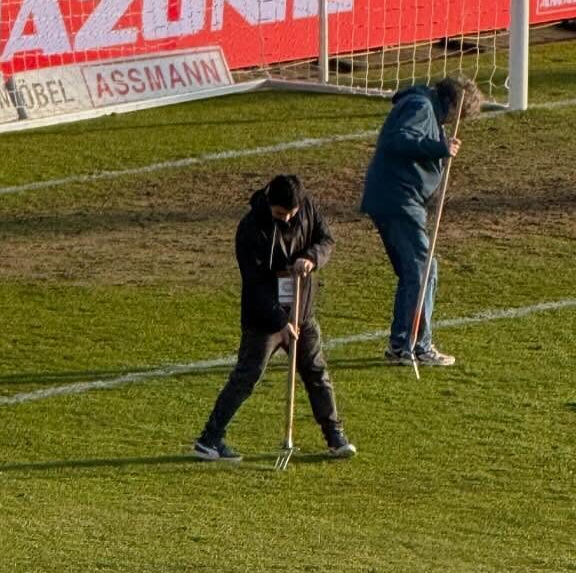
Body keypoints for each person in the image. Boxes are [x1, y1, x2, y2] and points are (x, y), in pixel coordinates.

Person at [194, 174, 355, 463]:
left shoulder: (307, 207)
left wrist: (312, 258)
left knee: (317, 373)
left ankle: (335, 436)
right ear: (270, 203)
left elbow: (325, 239)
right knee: (247, 376)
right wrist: (281, 322)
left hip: (301, 310)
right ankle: (210, 439)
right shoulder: (250, 229)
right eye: (281, 214)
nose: (287, 219)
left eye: (292, 213)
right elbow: (254, 284)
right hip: (265, 319)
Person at [360, 76, 482, 366]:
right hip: (398, 200)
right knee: (423, 269)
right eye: (460, 116)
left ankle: (402, 342)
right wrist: (439, 148)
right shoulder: (420, 106)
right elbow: (399, 139)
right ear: (453, 106)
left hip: (399, 199)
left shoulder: (426, 109)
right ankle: (415, 346)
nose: (457, 121)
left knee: (416, 271)